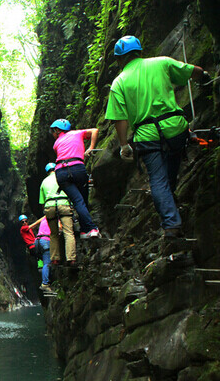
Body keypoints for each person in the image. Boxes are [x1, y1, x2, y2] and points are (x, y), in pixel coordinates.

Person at [105, 35, 211, 238]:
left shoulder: (119, 82)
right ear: (140, 52)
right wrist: (205, 76)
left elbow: (119, 119)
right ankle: (172, 204)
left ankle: (171, 225)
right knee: (169, 172)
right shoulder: (161, 62)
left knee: (158, 180)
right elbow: (191, 71)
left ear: (120, 60)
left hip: (147, 136)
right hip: (175, 129)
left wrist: (124, 145)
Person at [50, 119, 101, 239]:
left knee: (78, 201)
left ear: (58, 130)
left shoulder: (56, 143)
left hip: (61, 172)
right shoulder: (77, 133)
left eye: (53, 131)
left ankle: (84, 230)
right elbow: (95, 131)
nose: (52, 134)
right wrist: (90, 148)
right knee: (82, 200)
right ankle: (91, 228)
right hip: (77, 168)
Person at [40, 162, 75, 267]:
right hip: (63, 203)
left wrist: (46, 212)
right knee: (68, 232)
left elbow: (42, 202)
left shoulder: (44, 182)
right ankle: (71, 259)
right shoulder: (63, 176)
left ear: (47, 172)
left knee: (53, 234)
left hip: (49, 206)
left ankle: (55, 259)